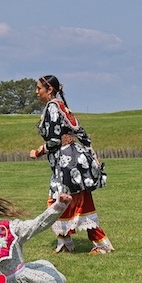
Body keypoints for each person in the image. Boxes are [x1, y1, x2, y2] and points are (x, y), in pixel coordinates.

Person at [29, 75, 114, 255]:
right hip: (72, 160)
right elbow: (80, 132)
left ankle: (100, 244)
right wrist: (91, 152)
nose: (36, 92)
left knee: (65, 201)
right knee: (67, 200)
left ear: (49, 90)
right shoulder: (61, 106)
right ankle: (65, 242)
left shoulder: (53, 107)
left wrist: (38, 151)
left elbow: (54, 140)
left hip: (66, 163)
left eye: (39, 88)